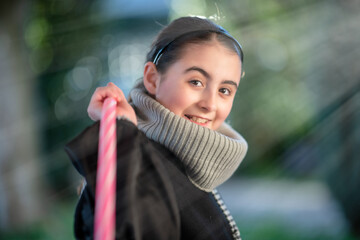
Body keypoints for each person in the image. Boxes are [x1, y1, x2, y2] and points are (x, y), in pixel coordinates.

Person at [65, 16, 248, 240]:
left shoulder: (186, 163)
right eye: (196, 82)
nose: (209, 104)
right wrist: (123, 135)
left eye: (225, 90)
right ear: (152, 79)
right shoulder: (137, 161)